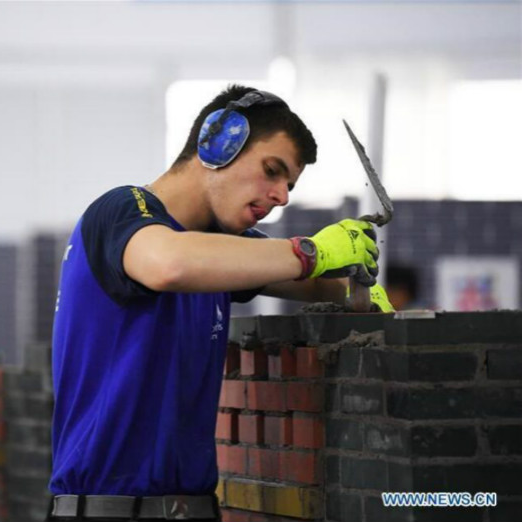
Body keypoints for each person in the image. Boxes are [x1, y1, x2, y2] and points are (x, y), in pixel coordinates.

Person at [48, 85, 393, 522]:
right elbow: (169, 263)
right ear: (218, 142)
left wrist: (358, 285)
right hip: (106, 510)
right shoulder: (120, 212)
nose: (282, 196)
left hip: (192, 508)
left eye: (288, 185)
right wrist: (311, 252)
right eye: (272, 170)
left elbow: (312, 282)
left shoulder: (219, 249)